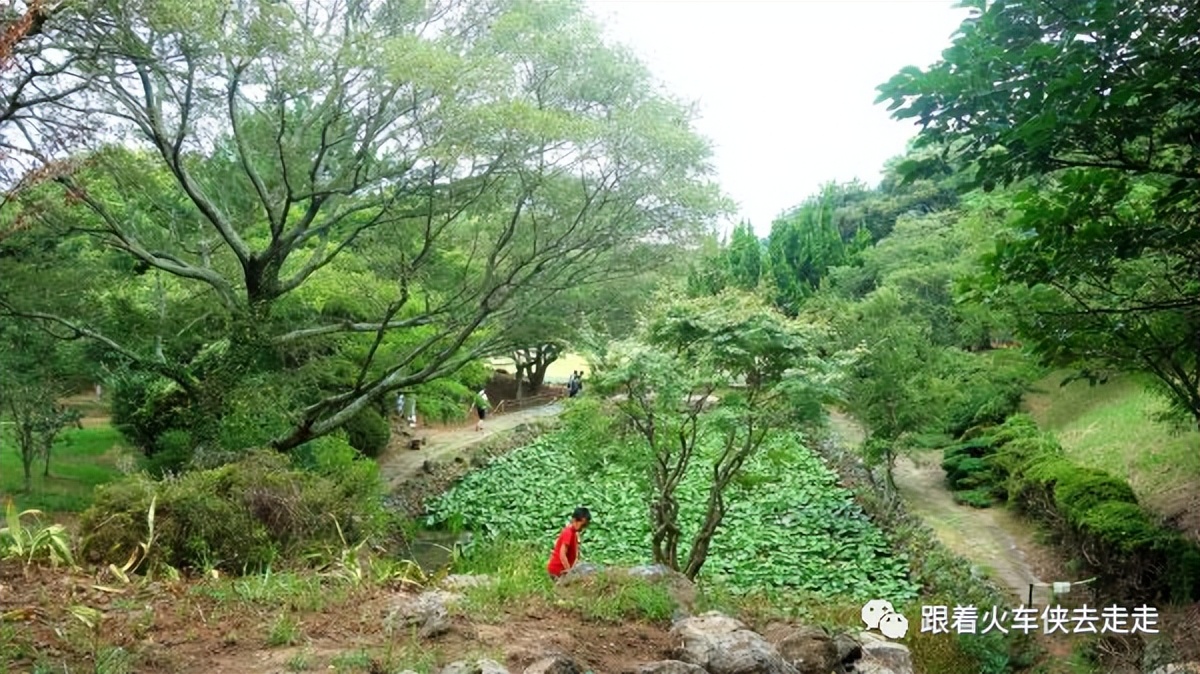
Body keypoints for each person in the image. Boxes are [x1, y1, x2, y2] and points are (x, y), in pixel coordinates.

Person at [547, 507, 590, 579]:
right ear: (574, 520)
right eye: (582, 525)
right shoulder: (568, 533)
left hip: (561, 569)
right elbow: (562, 554)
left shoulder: (574, 534)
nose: (582, 528)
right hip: (558, 569)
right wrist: (569, 571)